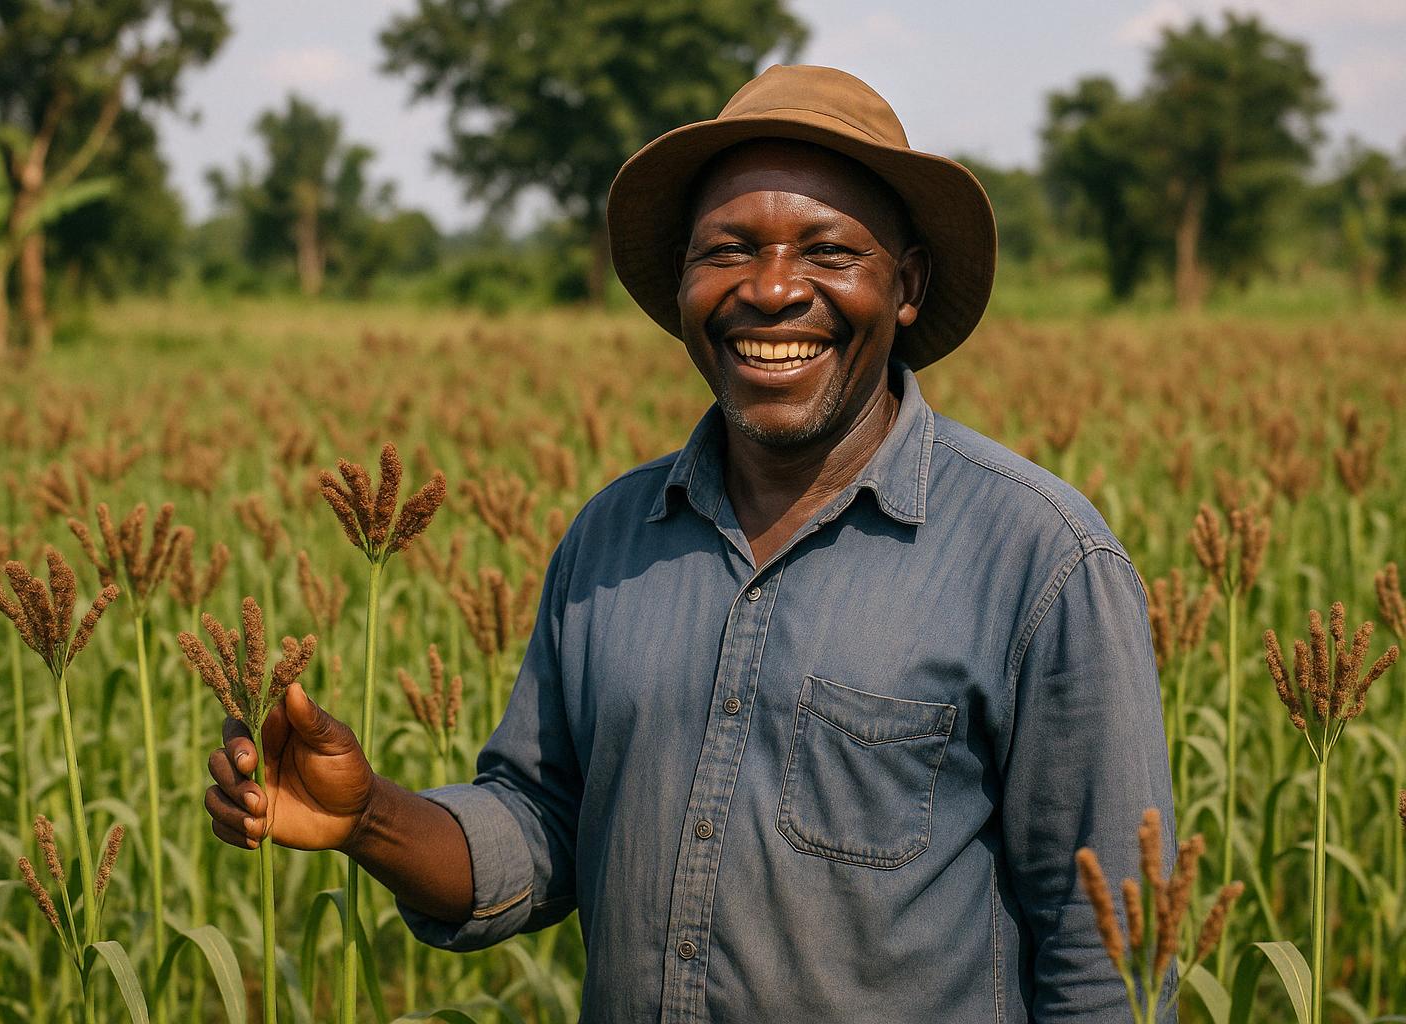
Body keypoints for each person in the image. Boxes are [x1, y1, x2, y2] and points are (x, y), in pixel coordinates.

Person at [205, 64, 1176, 1022]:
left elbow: (1108, 963)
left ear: (906, 284)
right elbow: (543, 823)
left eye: (828, 251)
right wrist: (368, 816)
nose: (773, 289)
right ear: (682, 283)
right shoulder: (611, 539)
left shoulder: (1039, 560)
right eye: (729, 250)